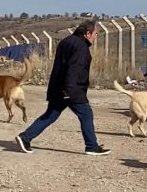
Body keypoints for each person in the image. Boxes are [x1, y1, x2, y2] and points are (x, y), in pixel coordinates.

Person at [15, 20, 110, 156]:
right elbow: (74, 68)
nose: (96, 37)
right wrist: (69, 90)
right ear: (88, 33)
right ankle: (91, 146)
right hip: (72, 89)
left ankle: (25, 138)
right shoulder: (81, 46)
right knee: (86, 114)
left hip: (58, 87)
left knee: (50, 116)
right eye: (95, 33)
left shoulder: (67, 41)